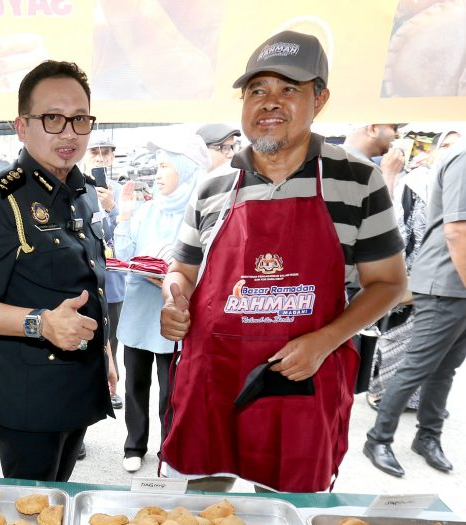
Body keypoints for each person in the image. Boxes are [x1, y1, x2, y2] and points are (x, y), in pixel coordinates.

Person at [159, 30, 407, 493]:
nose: (269, 102)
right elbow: (182, 269)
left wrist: (324, 341)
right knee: (199, 518)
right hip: (214, 378)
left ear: (320, 98)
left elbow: (389, 283)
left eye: (288, 89)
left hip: (301, 378)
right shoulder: (215, 185)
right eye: (257, 90)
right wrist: (174, 300)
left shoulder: (356, 180)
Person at [0, 60, 116, 482]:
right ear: (21, 127)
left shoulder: (83, 194)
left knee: (58, 504)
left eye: (79, 119)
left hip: (79, 383)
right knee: (29, 516)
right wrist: (40, 323)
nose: (68, 133)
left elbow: (87, 286)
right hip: (28, 396)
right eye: (52, 118)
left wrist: (107, 355)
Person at [364, 139, 466, 476]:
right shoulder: (463, 157)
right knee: (417, 367)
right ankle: (378, 439)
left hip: (456, 286)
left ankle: (428, 437)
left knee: (444, 369)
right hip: (447, 284)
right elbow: (457, 231)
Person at [115, 133, 208, 473]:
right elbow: (124, 256)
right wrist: (124, 218)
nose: (156, 175)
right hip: (140, 311)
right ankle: (133, 445)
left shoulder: (201, 214)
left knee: (172, 391)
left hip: (177, 316)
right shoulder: (144, 210)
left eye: (165, 167)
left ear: (185, 170)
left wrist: (176, 279)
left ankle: (169, 449)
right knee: (135, 384)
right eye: (156, 167)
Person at [83, 134, 125, 410]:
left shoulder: (120, 191)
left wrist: (112, 208)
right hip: (86, 279)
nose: (100, 158)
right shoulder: (76, 189)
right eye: (95, 153)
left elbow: (124, 235)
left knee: (111, 338)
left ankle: (111, 386)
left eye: (105, 153)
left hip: (114, 280)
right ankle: (86, 392)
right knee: (85, 337)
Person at [341, 123, 404, 193]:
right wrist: (389, 176)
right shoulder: (340, 166)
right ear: (373, 129)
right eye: (394, 128)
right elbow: (378, 203)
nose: (397, 134)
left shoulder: (348, 162)